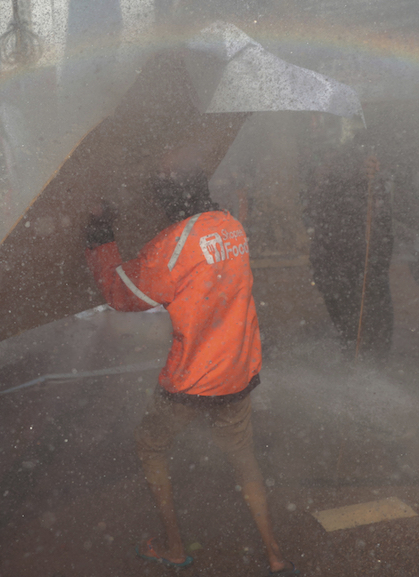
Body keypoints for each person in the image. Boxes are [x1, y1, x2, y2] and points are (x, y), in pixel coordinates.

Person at [84, 170, 298, 575]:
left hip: (194, 379)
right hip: (239, 369)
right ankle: (275, 556)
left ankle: (173, 546)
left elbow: (122, 292)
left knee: (150, 443)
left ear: (165, 204)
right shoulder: (231, 225)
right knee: (243, 456)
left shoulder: (174, 243)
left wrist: (100, 234)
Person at [305, 140, 394, 358]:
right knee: (349, 308)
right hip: (339, 258)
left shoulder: (366, 186)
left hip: (354, 259)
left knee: (364, 308)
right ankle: (357, 346)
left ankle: (365, 350)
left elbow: (382, 225)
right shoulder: (336, 186)